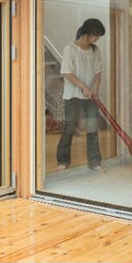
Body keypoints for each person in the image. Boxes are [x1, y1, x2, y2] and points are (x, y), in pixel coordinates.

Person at [56, 18, 107, 172]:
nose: (97, 39)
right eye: (96, 36)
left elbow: (98, 72)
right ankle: (63, 161)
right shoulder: (70, 49)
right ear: (86, 34)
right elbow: (66, 72)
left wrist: (96, 87)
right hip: (72, 96)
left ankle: (94, 162)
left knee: (92, 129)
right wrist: (83, 87)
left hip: (90, 97)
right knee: (70, 128)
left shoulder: (95, 50)